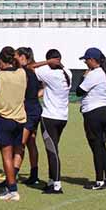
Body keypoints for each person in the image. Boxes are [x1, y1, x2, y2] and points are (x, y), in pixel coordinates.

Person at [0, 46, 27, 202]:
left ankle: (12, 189)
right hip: (20, 119)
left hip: (5, 119)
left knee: (6, 156)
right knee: (18, 152)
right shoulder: (22, 73)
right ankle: (11, 185)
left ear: (1, 62)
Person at [32, 49, 72, 194]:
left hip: (49, 117)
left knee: (52, 151)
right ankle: (51, 181)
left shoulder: (48, 73)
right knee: (52, 149)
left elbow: (30, 67)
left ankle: (57, 185)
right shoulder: (67, 72)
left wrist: (47, 62)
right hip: (62, 117)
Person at [77, 48, 106, 190]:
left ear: (93, 60)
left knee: (96, 146)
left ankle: (99, 181)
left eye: (86, 60)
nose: (85, 63)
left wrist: (83, 77)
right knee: (102, 145)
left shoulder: (94, 74)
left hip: (94, 112)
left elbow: (80, 91)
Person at [14, 47, 43, 186]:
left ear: (23, 57)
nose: (14, 59)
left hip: (29, 111)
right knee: (31, 142)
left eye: (16, 57)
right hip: (34, 109)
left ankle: (11, 176)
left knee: (20, 143)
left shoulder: (25, 71)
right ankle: (34, 175)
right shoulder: (32, 70)